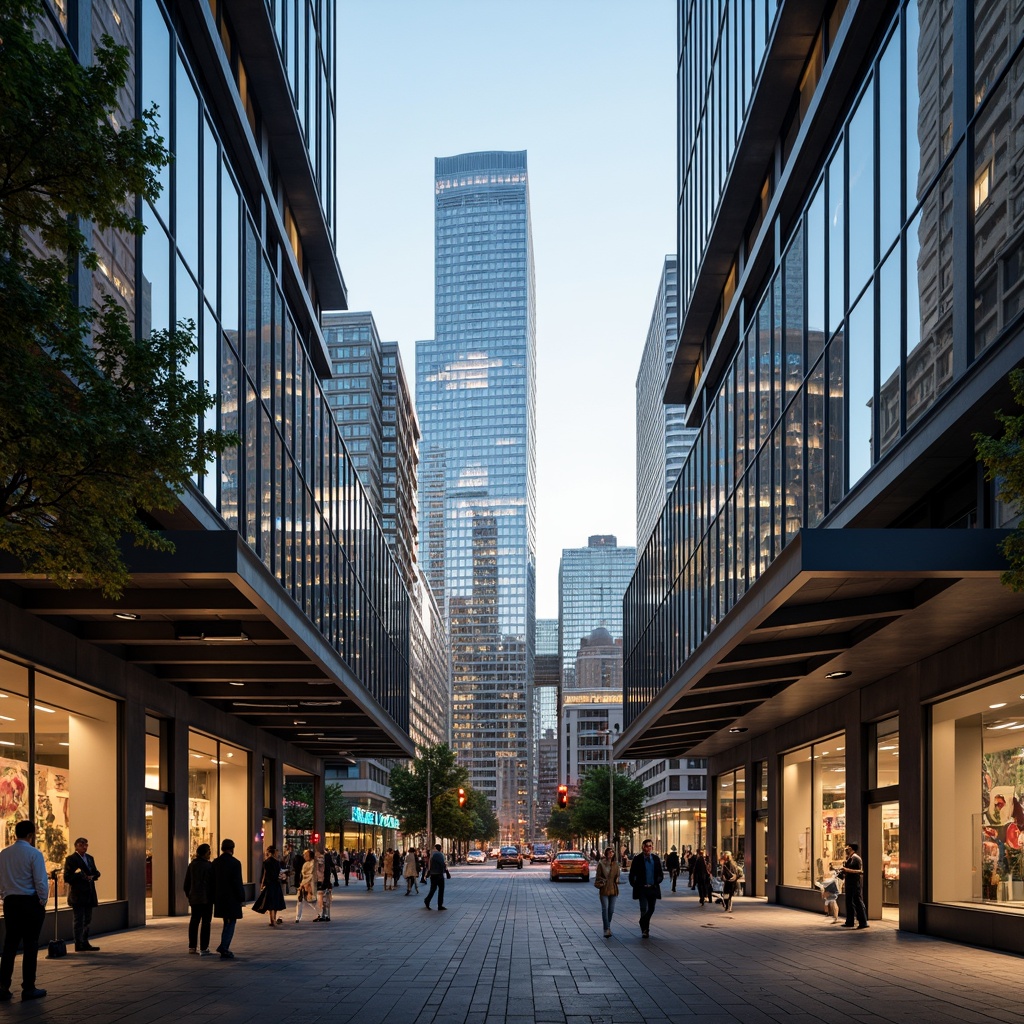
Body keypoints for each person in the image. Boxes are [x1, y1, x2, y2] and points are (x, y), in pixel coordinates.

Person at [0, 820, 49, 1000]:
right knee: (30, 944)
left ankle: (3, 985)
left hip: (11, 902)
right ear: (31, 835)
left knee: (10, 944)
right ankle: (28, 987)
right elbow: (40, 881)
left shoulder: (4, 854)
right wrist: (42, 901)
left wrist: (4, 895)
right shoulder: (34, 853)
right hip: (29, 902)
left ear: (15, 834)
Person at [63, 836, 101, 951]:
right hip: (78, 894)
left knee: (87, 919)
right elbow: (67, 877)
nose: (84, 847)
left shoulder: (89, 858)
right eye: (81, 845)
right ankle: (78, 942)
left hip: (89, 893)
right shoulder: (71, 859)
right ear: (76, 846)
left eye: (86, 845)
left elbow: (96, 872)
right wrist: (80, 876)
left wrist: (93, 876)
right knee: (79, 919)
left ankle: (85, 941)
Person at [210, 838, 245, 958]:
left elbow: (212, 881)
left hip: (219, 897)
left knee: (227, 921)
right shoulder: (235, 863)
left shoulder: (215, 863)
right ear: (232, 849)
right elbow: (237, 882)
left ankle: (224, 945)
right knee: (231, 922)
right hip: (232, 898)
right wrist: (241, 897)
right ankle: (224, 946)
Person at [628, 838, 664, 938]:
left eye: (649, 846)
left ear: (652, 847)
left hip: (652, 888)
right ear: (642, 847)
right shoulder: (638, 858)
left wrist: (658, 880)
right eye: (645, 846)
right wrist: (635, 884)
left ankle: (642, 921)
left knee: (651, 909)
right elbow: (632, 874)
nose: (647, 848)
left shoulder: (656, 859)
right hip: (642, 888)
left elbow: (660, 873)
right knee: (643, 908)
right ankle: (645, 930)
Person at [184, 843, 214, 955]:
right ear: (205, 853)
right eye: (209, 851)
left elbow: (186, 883)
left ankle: (192, 946)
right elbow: (212, 883)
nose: (210, 853)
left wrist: (189, 895)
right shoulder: (209, 866)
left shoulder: (192, 865)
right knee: (206, 922)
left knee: (194, 921)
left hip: (195, 898)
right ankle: (204, 947)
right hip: (207, 898)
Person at [839, 842, 868, 929]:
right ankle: (849, 921)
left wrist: (846, 869)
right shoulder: (850, 858)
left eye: (847, 848)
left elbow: (860, 871)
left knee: (857, 901)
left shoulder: (856, 858)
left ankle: (863, 922)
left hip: (855, 883)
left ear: (851, 848)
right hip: (849, 883)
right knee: (849, 902)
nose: (846, 849)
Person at [595, 845, 620, 937]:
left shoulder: (616, 864)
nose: (611, 853)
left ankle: (607, 925)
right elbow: (598, 876)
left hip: (613, 889)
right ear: (605, 853)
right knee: (605, 909)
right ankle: (606, 929)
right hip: (604, 888)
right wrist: (602, 881)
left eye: (612, 852)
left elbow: (617, 875)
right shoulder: (601, 863)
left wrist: (617, 879)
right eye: (609, 852)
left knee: (611, 909)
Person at [259, 845, 286, 927]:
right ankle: (274, 918)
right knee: (276, 901)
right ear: (274, 853)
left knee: (270, 902)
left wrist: (262, 884)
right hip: (276, 883)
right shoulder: (277, 862)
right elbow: (280, 873)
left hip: (269, 883)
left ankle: (272, 920)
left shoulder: (266, 862)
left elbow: (264, 874)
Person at [423, 844, 450, 910]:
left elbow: (429, 865)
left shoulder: (432, 855)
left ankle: (427, 900)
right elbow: (442, 864)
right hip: (439, 874)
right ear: (440, 848)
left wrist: (428, 873)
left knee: (433, 889)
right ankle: (440, 905)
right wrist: (447, 872)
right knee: (441, 889)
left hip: (433, 874)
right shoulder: (439, 855)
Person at [295, 849, 315, 922]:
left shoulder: (313, 864)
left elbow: (310, 875)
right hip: (304, 883)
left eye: (306, 855)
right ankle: (297, 917)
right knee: (300, 900)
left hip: (309, 884)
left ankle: (321, 912)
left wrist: (305, 883)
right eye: (304, 855)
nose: (304, 856)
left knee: (309, 900)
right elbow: (303, 875)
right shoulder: (305, 863)